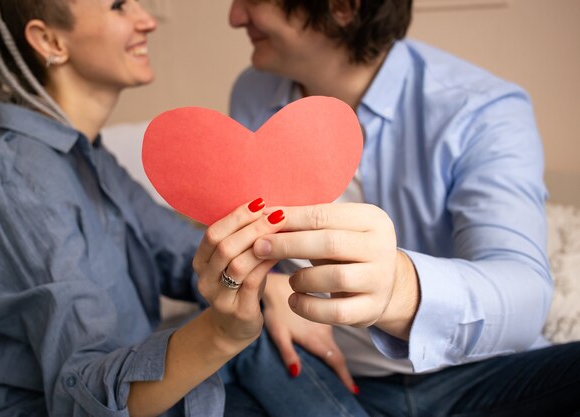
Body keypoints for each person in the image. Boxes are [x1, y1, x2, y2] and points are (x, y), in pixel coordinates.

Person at [222, 0, 580, 416]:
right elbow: (246, 239)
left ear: (341, 7)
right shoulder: (253, 93)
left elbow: (526, 295)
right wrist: (270, 287)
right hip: (329, 375)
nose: (235, 17)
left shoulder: (480, 109)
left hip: (479, 375)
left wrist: (397, 289)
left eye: (252, 0)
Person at [0, 1, 288, 416]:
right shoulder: (18, 178)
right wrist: (221, 333)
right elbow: (85, 392)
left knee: (276, 341)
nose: (146, 20)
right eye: (117, 6)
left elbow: (180, 249)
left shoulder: (87, 157)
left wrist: (273, 284)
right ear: (49, 40)